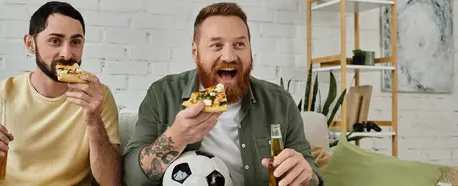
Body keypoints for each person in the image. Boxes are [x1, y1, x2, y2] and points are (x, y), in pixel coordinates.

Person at [123, 2, 323, 186]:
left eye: (239, 45)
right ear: (195, 52)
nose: (229, 56)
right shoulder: (162, 94)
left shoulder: (280, 102)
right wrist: (176, 137)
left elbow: (312, 172)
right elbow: (131, 177)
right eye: (216, 45)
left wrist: (305, 175)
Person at [0, 2, 122, 186]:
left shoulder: (97, 96)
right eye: (55, 41)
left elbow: (111, 182)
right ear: (30, 44)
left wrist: (94, 119)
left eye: (76, 42)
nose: (67, 54)